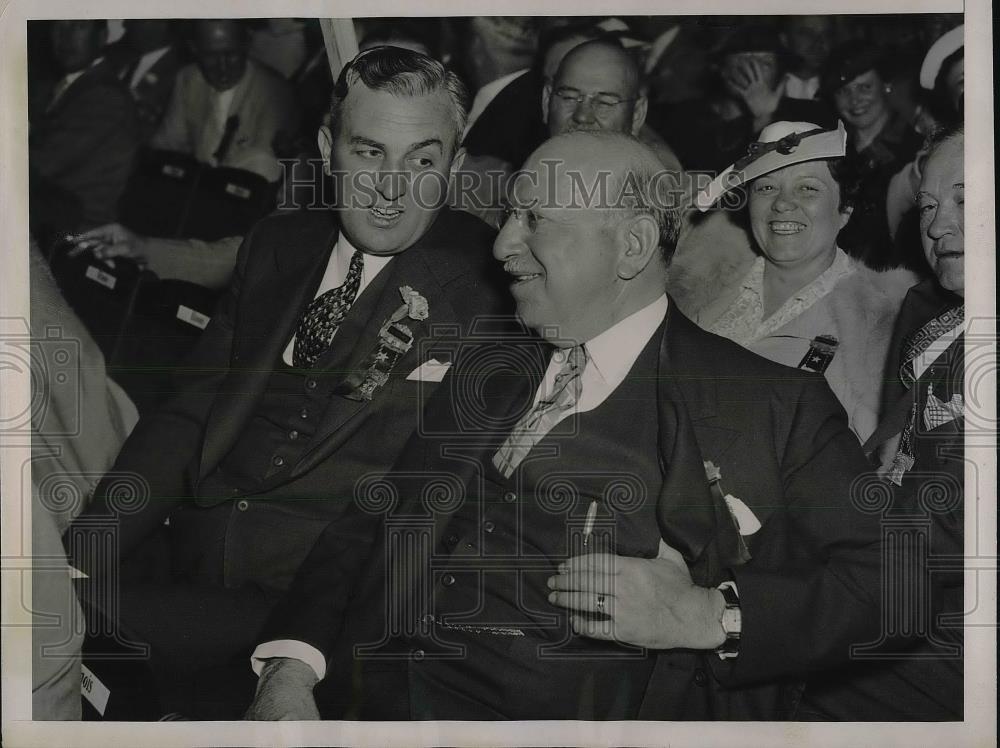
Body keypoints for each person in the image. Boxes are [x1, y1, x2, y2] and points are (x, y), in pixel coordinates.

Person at [245, 131, 884, 722]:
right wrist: (290, 668)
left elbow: (892, 581)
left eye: (535, 219)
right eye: (508, 216)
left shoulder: (770, 405)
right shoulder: (492, 361)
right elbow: (375, 519)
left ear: (632, 245)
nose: (502, 244)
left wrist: (710, 615)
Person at [66, 47, 510, 718]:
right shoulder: (279, 242)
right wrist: (84, 553)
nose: (392, 188)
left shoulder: (492, 290)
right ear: (329, 151)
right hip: (184, 547)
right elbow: (187, 415)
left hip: (303, 610)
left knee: (41, 625)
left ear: (453, 164)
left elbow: (427, 518)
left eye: (422, 161)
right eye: (370, 153)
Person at [797, 126, 965, 721]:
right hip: (907, 589)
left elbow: (947, 528)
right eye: (928, 206)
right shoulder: (942, 328)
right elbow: (888, 463)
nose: (938, 225)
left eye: (965, 200)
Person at [685, 121, 917, 443]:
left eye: (807, 188)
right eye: (766, 188)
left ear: (846, 209)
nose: (782, 203)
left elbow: (874, 460)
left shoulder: (879, 326)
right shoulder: (699, 288)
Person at [650, 25, 833, 172]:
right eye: (743, 61)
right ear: (722, 69)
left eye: (765, 63)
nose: (753, 71)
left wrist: (765, 118)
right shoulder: (683, 118)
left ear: (779, 71)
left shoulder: (808, 115)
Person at [149, 19, 300, 182]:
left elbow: (262, 167)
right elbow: (166, 145)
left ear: (246, 44)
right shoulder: (188, 79)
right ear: (194, 49)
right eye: (210, 56)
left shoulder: (274, 91)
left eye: (231, 54)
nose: (223, 67)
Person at [29, 20, 139, 238]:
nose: (65, 37)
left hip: (75, 231)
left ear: (102, 36)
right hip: (44, 214)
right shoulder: (58, 85)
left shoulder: (105, 95)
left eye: (79, 26)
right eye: (59, 26)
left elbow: (42, 163)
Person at [822, 40, 923, 269]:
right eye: (843, 91)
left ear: (885, 86)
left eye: (865, 87)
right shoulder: (829, 150)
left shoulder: (915, 151)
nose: (855, 100)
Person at [104, 19, 185, 141]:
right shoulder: (111, 55)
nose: (125, 24)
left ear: (161, 22)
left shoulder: (183, 73)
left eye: (134, 18)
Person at [779, 16, 833, 101]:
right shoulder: (768, 88)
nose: (819, 43)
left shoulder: (840, 91)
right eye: (808, 34)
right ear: (785, 39)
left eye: (826, 34)